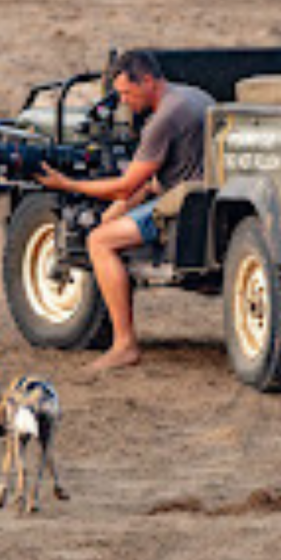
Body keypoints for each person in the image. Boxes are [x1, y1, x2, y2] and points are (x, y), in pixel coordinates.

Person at [36, 50, 214, 372]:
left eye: (126, 93)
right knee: (111, 218)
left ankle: (124, 345)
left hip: (182, 208)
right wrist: (119, 208)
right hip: (201, 192)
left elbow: (123, 185)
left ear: (147, 80)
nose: (123, 101)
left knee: (99, 242)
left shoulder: (163, 119)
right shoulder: (194, 96)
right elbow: (153, 180)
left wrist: (69, 184)